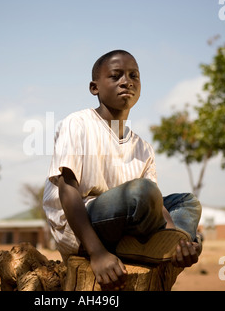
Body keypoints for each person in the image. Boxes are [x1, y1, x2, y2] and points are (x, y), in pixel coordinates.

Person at [42, 49, 202, 290]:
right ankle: (130, 247)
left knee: (188, 202)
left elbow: (156, 203)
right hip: (82, 226)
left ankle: (164, 246)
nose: (126, 81)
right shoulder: (78, 123)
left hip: (127, 219)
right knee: (143, 191)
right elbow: (67, 191)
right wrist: (97, 253)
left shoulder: (143, 147)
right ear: (94, 88)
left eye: (133, 76)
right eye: (116, 76)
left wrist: (176, 240)